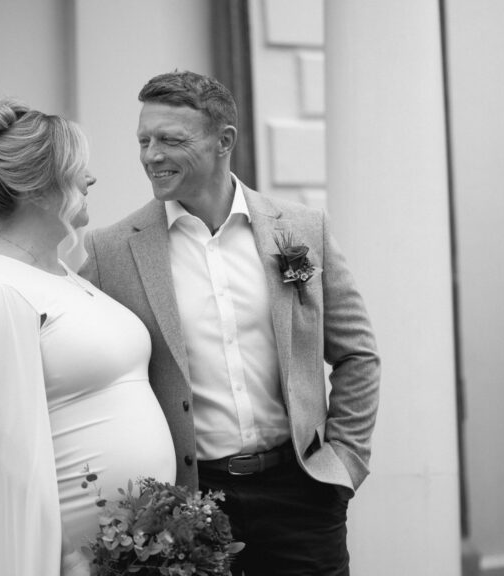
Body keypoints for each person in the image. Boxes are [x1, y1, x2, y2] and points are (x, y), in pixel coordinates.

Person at [79, 71, 381, 575]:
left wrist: (343, 463)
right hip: (188, 507)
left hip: (301, 494)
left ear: (224, 141)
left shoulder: (304, 228)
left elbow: (357, 354)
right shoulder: (110, 251)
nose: (151, 155)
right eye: (144, 140)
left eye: (171, 140)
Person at [0, 99, 175, 576]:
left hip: (133, 553)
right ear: (38, 188)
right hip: (76, 562)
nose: (91, 179)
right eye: (77, 169)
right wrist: (65, 560)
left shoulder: (65, 274)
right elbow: (4, 462)